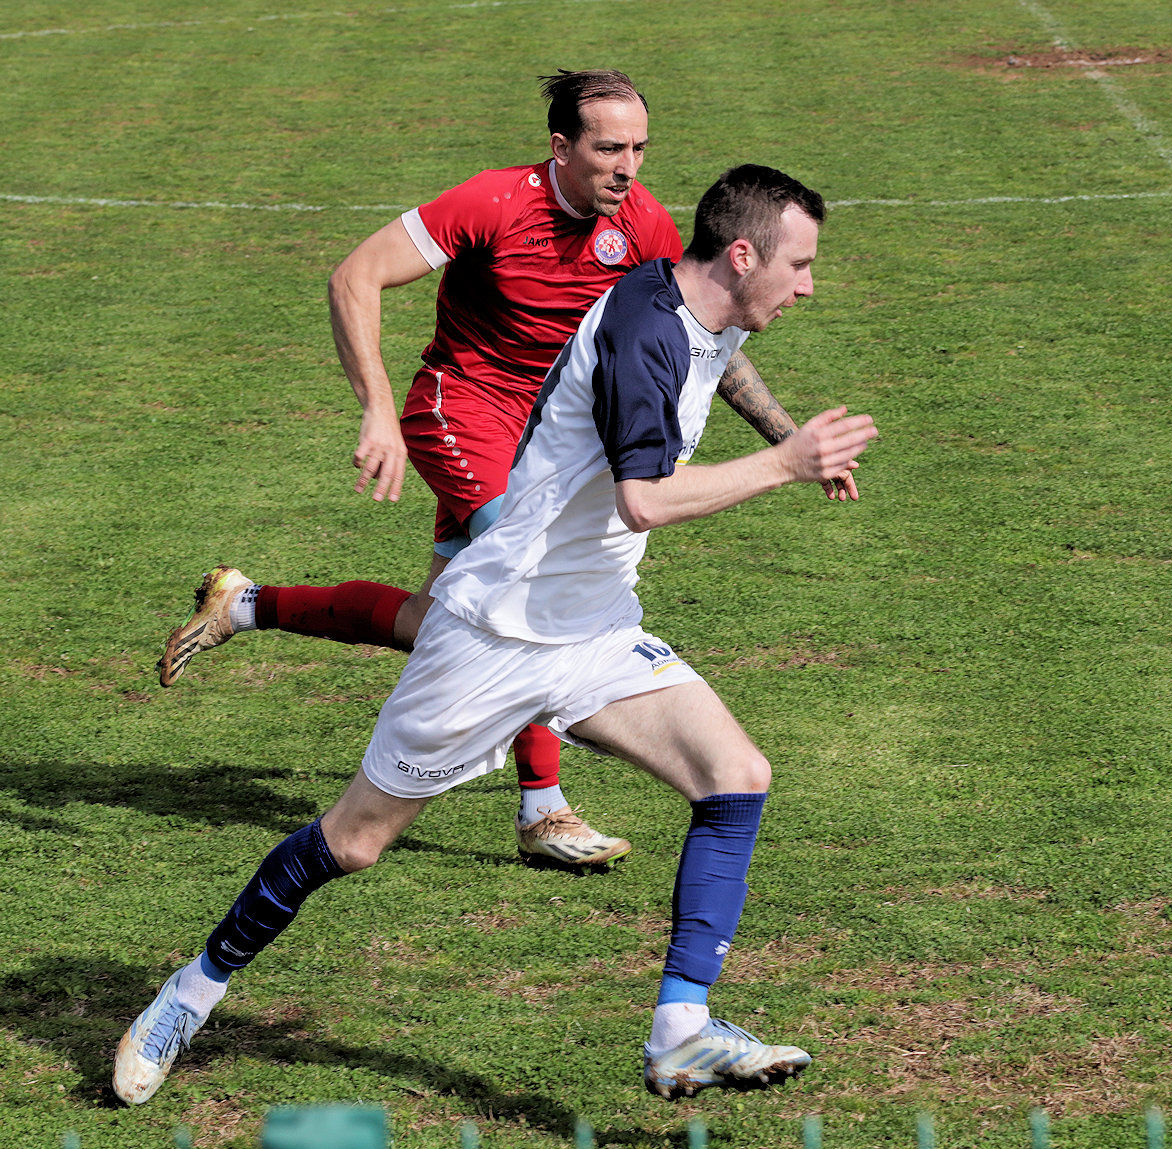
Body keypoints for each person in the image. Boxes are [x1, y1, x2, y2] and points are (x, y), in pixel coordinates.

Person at [114, 163, 877, 1107]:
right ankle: (189, 994)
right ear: (745, 256)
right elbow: (643, 502)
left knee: (737, 774)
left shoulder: (705, 307)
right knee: (352, 843)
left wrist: (787, 434)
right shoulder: (644, 332)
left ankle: (680, 1031)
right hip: (496, 631)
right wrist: (785, 462)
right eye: (800, 265)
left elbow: (722, 358)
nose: (810, 285)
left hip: (592, 628)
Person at [155, 70, 856, 871]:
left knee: (434, 622)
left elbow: (709, 334)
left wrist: (792, 438)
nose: (627, 168)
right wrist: (377, 409)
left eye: (638, 148)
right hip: (463, 412)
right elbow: (355, 276)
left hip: (550, 447)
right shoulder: (493, 202)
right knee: (531, 592)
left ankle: (246, 604)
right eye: (608, 149)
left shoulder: (645, 222)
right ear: (561, 147)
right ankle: (542, 809)